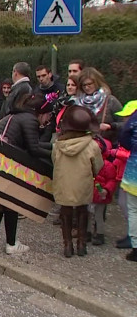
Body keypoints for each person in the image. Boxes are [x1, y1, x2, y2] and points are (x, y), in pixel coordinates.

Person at [0, 94, 51, 255]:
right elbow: (34, 148)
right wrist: (55, 153)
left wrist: (51, 146)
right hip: (9, 164)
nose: (47, 121)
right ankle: (11, 244)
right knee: (11, 204)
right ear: (42, 113)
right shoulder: (31, 120)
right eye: (48, 117)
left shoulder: (15, 114)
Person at [52, 105, 103, 257]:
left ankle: (67, 246)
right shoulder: (92, 145)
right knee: (82, 211)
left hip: (63, 183)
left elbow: (55, 162)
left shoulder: (58, 146)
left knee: (65, 212)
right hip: (83, 183)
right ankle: (81, 244)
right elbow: (98, 166)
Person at [75, 67, 122, 144]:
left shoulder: (110, 101)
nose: (87, 87)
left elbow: (124, 123)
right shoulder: (78, 103)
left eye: (89, 84)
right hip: (84, 146)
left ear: (96, 82)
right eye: (84, 85)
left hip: (107, 148)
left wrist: (111, 126)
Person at [116, 102, 137, 262]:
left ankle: (135, 246)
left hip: (134, 171)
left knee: (133, 209)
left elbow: (124, 136)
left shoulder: (134, 120)